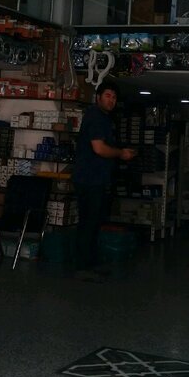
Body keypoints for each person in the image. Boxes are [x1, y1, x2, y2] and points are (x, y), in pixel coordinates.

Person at [73, 80, 135, 280]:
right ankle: (83, 267)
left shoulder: (103, 118)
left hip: (96, 179)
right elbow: (99, 148)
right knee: (88, 223)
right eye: (107, 95)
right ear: (98, 97)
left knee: (94, 223)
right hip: (89, 179)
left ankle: (90, 264)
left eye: (114, 97)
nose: (111, 100)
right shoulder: (96, 116)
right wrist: (121, 153)